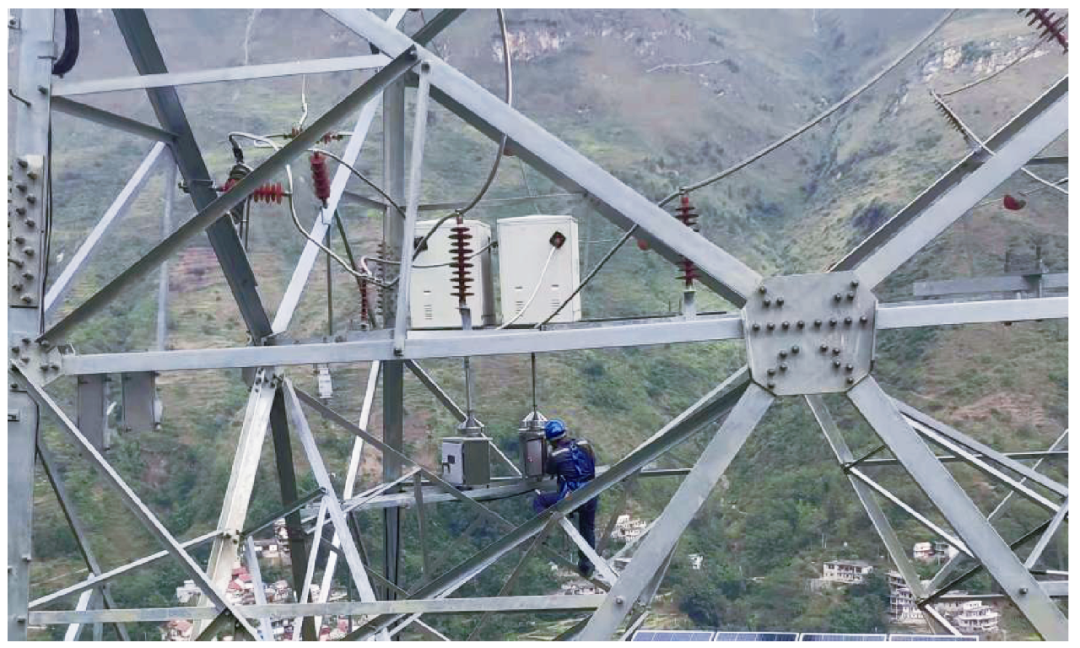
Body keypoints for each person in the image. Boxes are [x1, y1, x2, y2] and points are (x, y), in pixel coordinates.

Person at [531, 419, 598, 577]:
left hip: (571, 497)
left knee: (540, 501)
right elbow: (592, 462)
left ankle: (544, 532)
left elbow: (549, 471)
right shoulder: (584, 444)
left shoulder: (555, 455)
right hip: (591, 493)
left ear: (551, 441)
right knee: (587, 528)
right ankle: (586, 564)